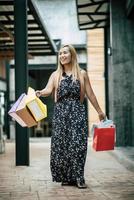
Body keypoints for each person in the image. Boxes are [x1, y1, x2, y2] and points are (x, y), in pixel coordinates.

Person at [35, 44, 106, 189]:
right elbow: (48, 90)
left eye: (65, 53)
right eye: (60, 53)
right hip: (61, 114)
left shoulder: (82, 73)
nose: (62, 56)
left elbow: (90, 94)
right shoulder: (56, 75)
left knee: (78, 145)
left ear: (72, 55)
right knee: (62, 146)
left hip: (77, 112)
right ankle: (66, 177)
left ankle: (79, 177)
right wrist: (40, 93)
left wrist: (99, 111)